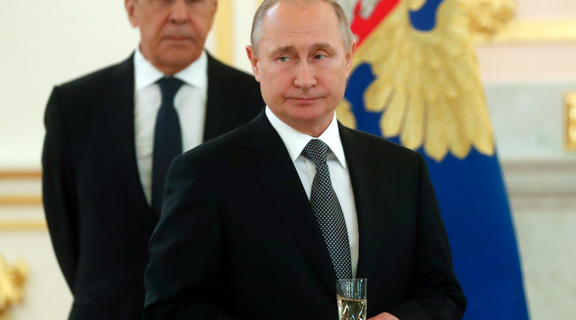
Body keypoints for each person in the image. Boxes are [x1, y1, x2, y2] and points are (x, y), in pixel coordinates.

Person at [142, 0, 466, 319]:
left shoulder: (403, 169)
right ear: (255, 62)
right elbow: (171, 308)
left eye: (320, 55)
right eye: (284, 57)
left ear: (349, 57)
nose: (305, 79)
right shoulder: (204, 174)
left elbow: (441, 294)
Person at [42, 0, 264, 318]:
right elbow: (64, 226)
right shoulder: (75, 107)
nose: (179, 15)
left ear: (214, 8)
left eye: (195, 1)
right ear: (131, 9)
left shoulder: (256, 103)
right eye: (163, 0)